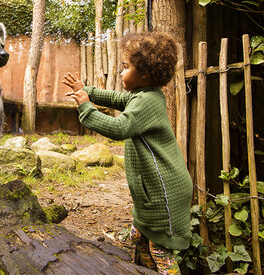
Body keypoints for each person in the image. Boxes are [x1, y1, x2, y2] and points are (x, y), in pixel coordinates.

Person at [63, 31, 192, 274]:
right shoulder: (143, 95)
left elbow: (119, 128)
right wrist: (87, 90)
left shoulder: (148, 101)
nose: (121, 72)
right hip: (153, 190)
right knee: (139, 238)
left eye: (126, 67)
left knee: (160, 251)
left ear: (144, 72)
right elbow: (118, 99)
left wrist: (86, 108)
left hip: (164, 192)